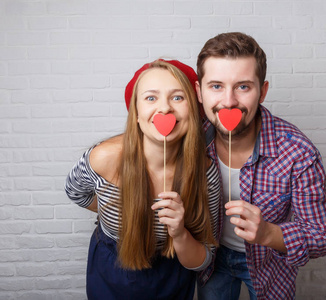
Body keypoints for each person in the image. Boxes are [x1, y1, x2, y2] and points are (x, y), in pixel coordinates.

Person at [194, 32, 326, 300]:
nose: (228, 101)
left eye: (243, 87)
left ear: (263, 91)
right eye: (216, 86)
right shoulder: (191, 141)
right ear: (198, 92)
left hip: (269, 266)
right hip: (211, 261)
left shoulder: (298, 152)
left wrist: (269, 233)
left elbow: (325, 235)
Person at [65, 59, 221, 300]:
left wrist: (179, 233)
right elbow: (76, 192)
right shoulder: (103, 158)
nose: (165, 109)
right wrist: (112, 209)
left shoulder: (205, 172)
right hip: (112, 270)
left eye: (178, 98)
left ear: (193, 110)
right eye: (151, 98)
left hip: (173, 275)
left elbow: (204, 259)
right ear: (136, 114)